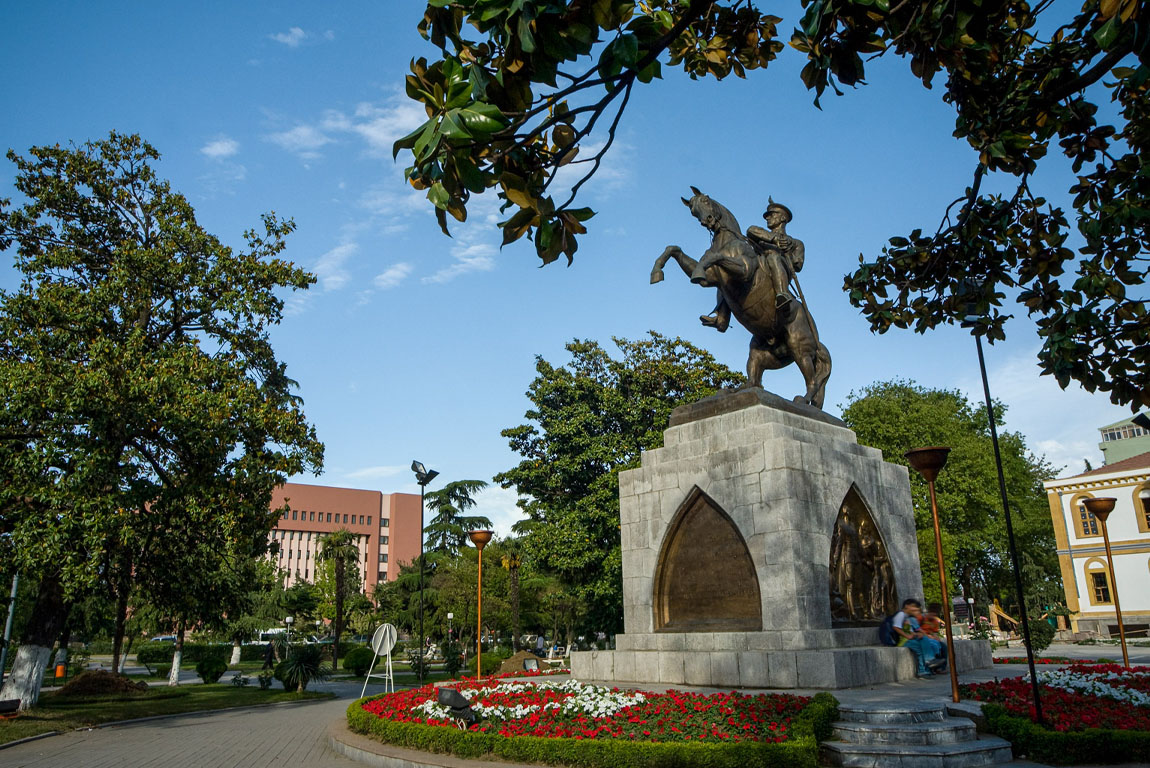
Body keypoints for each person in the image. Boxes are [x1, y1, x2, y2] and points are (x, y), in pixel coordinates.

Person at [891, 598, 942, 678]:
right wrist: (907, 636)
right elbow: (896, 627)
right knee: (922, 646)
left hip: (909, 639)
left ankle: (926, 667)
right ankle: (926, 665)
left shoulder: (907, 617)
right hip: (904, 641)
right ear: (906, 606)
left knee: (924, 644)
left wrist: (916, 634)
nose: (916, 609)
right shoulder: (901, 614)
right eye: (913, 607)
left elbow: (909, 630)